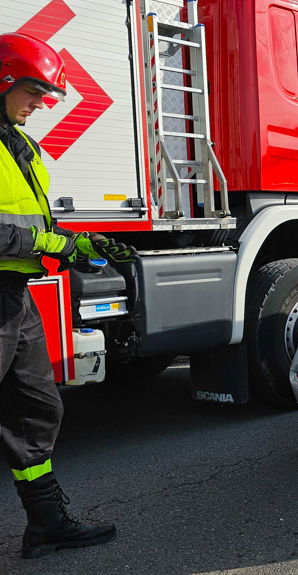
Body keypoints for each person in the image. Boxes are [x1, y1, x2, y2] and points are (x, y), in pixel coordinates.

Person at [0, 33, 137, 558]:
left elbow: (31, 221)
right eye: (33, 91)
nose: (40, 103)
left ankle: (47, 523)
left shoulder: (18, 146)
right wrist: (56, 244)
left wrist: (82, 241)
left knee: (36, 408)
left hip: (15, 296)